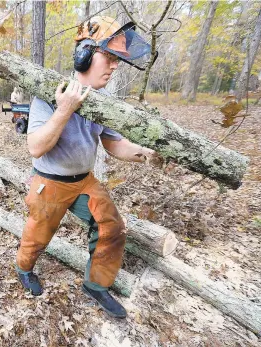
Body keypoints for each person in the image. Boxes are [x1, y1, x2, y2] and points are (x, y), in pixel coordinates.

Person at [15, 16, 162, 319]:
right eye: (108, 57)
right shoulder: (49, 92)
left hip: (85, 181)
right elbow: (36, 147)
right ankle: (24, 269)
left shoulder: (104, 100)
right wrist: (65, 109)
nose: (114, 65)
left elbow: (113, 143)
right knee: (38, 235)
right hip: (50, 180)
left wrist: (144, 153)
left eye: (116, 59)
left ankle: (96, 285)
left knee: (112, 227)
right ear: (83, 56)